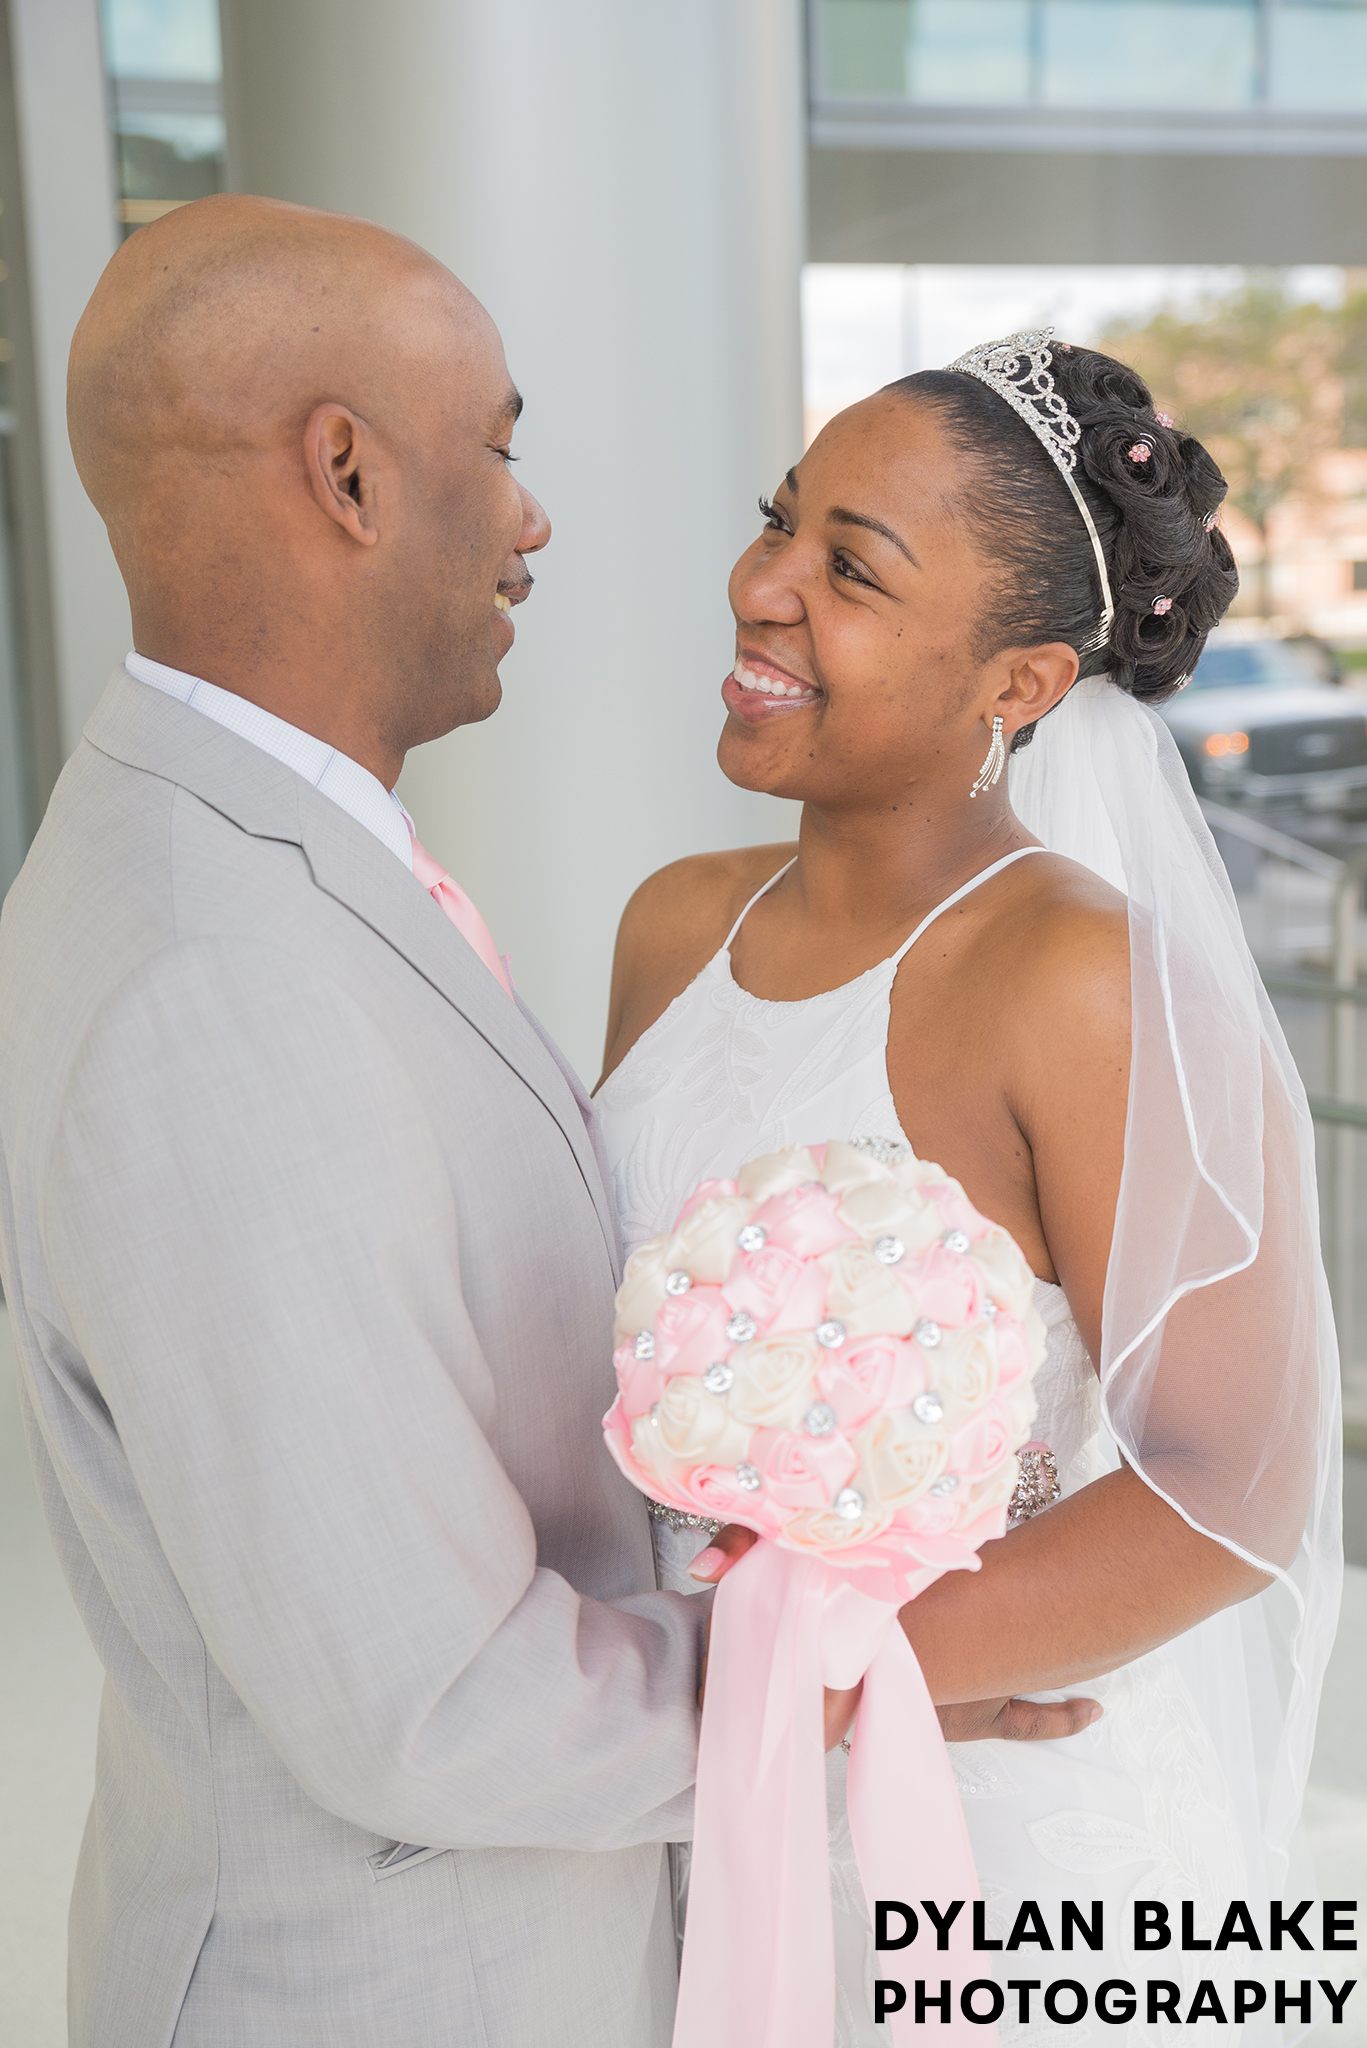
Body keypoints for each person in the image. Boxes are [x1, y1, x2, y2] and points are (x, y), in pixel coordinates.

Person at [0, 193, 727, 2048]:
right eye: (497, 444)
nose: (534, 510)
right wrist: (862, 1677)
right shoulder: (210, 976)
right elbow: (431, 1703)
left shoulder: (245, 852)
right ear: (343, 471)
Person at [596, 335, 1342, 2041]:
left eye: (850, 569)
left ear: (1017, 683)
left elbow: (1235, 1485)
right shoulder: (666, 923)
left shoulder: (1081, 976)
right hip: (679, 1785)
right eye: (781, 522)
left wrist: (838, 1681)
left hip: (988, 1844)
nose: (761, 586)